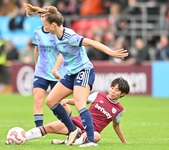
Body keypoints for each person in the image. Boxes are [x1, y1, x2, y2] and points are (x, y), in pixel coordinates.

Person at [23, 3, 129, 147]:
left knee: (80, 103)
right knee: (51, 101)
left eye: (46, 26)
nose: (44, 29)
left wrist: (111, 52)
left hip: (84, 71)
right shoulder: (55, 36)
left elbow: (91, 42)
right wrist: (55, 68)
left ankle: (91, 140)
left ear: (53, 25)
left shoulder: (70, 36)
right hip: (71, 73)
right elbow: (63, 52)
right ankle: (73, 130)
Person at [15, 77, 129, 146]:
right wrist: (66, 101)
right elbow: (80, 101)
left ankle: (69, 142)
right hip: (76, 123)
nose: (113, 91)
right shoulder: (98, 95)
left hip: (90, 132)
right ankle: (22, 137)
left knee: (96, 136)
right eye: (112, 88)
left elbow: (116, 126)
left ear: (122, 94)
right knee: (49, 127)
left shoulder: (119, 110)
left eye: (117, 90)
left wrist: (124, 143)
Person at [26, 14, 66, 127]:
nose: (43, 18)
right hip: (41, 72)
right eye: (41, 15)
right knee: (38, 101)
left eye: (45, 16)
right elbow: (36, 50)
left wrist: (56, 69)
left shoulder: (57, 32)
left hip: (57, 73)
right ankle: (39, 130)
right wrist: (36, 65)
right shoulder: (37, 32)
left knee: (61, 103)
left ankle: (71, 124)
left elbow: (62, 53)